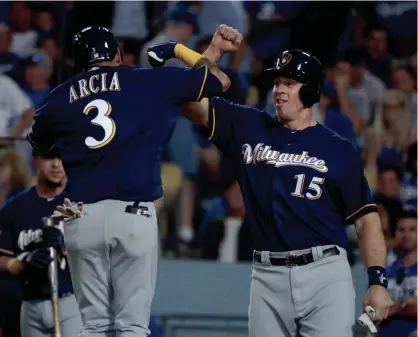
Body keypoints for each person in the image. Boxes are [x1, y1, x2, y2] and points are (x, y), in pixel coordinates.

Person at [148, 35, 393, 336]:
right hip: (267, 274)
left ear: (311, 89)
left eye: (289, 83)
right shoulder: (249, 126)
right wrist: (197, 52)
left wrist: (378, 282)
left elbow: (366, 219)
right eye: (277, 82)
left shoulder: (337, 149)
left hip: (324, 273)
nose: (279, 90)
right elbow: (188, 101)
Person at [26, 25, 235, 337]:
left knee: (94, 326)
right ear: (118, 55)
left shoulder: (57, 99)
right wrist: (179, 50)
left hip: (82, 217)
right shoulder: (147, 79)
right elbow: (220, 81)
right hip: (133, 214)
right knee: (133, 325)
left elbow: (39, 143)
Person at [0, 148, 82, 337]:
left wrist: (67, 245)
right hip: (30, 304)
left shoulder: (81, 202)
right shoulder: (15, 208)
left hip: (73, 302)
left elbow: (102, 251)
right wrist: (22, 263)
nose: (56, 164)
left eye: (61, 157)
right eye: (48, 157)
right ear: (35, 161)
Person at [377, 209, 417, 337]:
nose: (406, 235)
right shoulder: (386, 269)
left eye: (412, 229)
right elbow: (372, 311)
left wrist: (393, 307)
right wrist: (405, 303)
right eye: (401, 230)